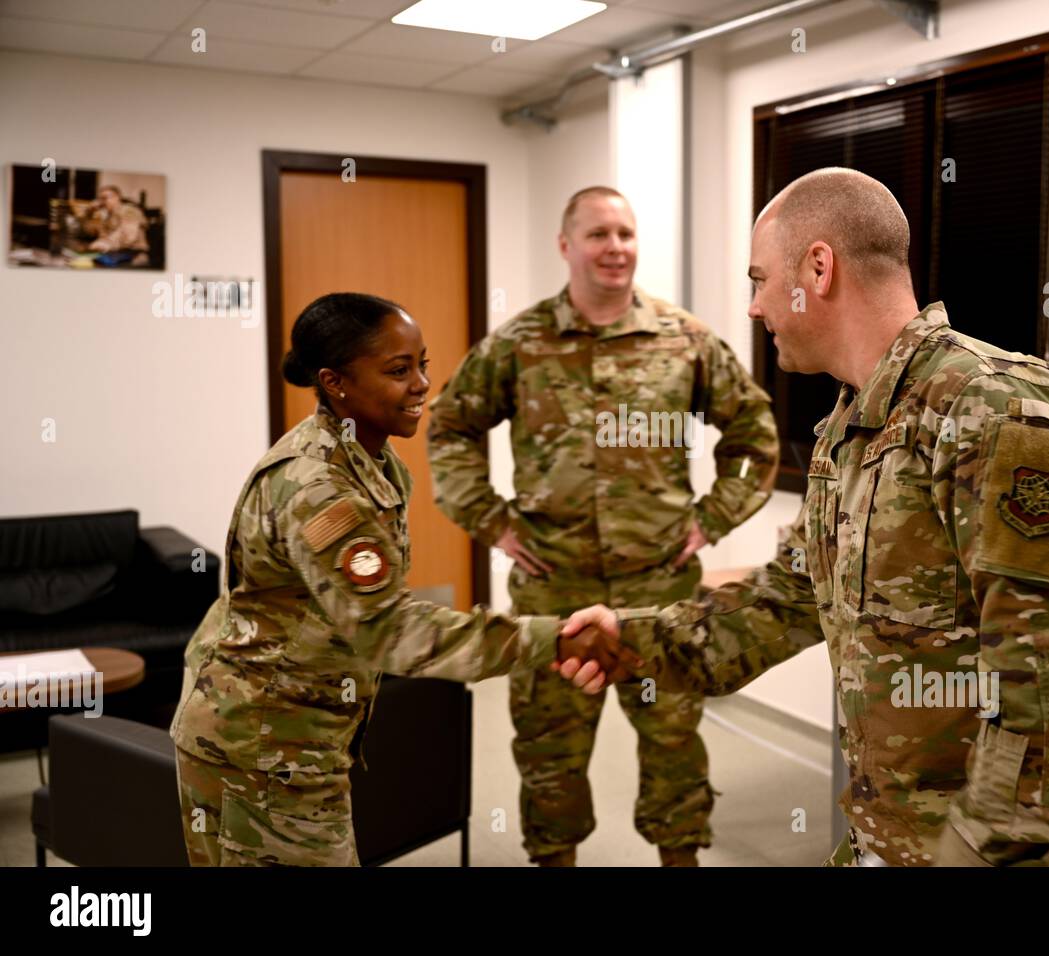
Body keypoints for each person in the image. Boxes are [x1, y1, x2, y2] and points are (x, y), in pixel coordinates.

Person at [561, 168, 1049, 866]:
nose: (754, 307)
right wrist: (630, 640)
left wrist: (966, 851)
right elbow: (787, 597)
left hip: (1025, 849)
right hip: (905, 828)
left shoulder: (993, 413)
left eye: (758, 279)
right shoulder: (851, 426)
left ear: (818, 269)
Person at [170, 292, 635, 866]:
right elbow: (390, 630)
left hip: (297, 736)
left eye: (423, 364)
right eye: (398, 370)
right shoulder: (319, 487)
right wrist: (554, 638)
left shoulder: (373, 459)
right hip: (260, 746)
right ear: (334, 382)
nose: (421, 384)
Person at [427, 186, 779, 866]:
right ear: (566, 246)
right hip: (552, 589)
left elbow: (755, 432)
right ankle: (553, 858)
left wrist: (713, 518)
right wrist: (491, 521)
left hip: (661, 589)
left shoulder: (686, 340)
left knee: (675, 740)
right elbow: (449, 425)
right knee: (549, 751)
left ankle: (682, 857)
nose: (614, 247)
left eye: (624, 233)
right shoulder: (520, 343)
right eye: (597, 234)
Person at [87, 185, 149, 261]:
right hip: (117, 252)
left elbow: (128, 237)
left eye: (105, 198)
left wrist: (107, 243)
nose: (102, 202)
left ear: (117, 197)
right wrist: (90, 213)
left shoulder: (130, 210)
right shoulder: (107, 217)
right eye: (100, 199)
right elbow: (91, 232)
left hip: (135, 255)